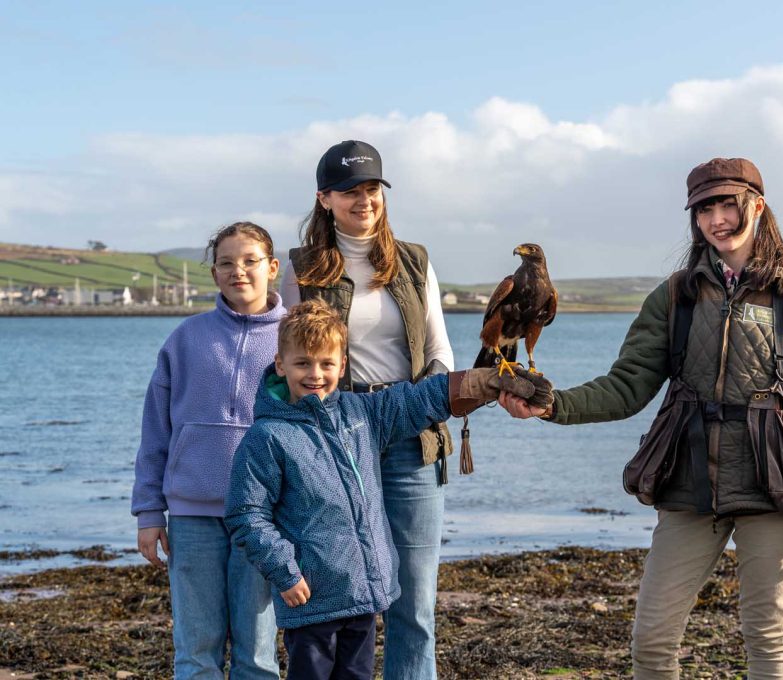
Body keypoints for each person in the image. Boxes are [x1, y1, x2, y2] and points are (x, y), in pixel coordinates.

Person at [500, 157, 783, 679]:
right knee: (651, 641)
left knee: (768, 638)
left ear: (757, 206)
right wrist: (551, 404)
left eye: (728, 204)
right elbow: (626, 386)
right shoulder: (674, 297)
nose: (717, 219)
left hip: (775, 486)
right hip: (689, 482)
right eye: (705, 209)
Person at [224, 299, 551, 680]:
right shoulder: (267, 437)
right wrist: (285, 572)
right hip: (310, 600)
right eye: (302, 363)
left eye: (327, 364)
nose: (315, 374)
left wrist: (482, 382)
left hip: (363, 598)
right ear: (281, 365)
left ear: (342, 365)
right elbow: (246, 514)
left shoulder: (361, 414)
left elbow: (415, 400)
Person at [279, 139, 454, 679]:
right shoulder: (300, 269)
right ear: (324, 198)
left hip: (408, 434)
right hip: (333, 443)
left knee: (414, 603)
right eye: (349, 190)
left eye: (372, 188)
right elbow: (282, 358)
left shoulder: (414, 260)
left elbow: (440, 349)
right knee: (338, 597)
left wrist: (427, 399)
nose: (364, 200)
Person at [131, 222, 284, 679]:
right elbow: (155, 432)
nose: (239, 271)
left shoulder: (296, 338)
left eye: (250, 261)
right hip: (192, 517)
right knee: (195, 651)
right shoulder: (185, 338)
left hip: (263, 517)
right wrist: (149, 512)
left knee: (257, 654)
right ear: (214, 273)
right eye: (226, 263)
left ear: (272, 268)